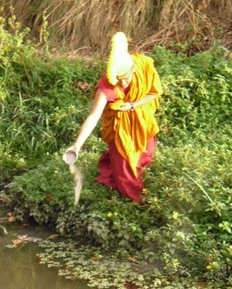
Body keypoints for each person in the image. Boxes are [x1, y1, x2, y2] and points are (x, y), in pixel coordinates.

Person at [64, 32, 163, 203]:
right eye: (118, 80)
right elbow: (94, 116)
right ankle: (138, 204)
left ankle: (148, 197)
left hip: (142, 124)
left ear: (132, 69)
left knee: (145, 159)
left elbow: (153, 93)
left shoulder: (143, 66)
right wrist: (77, 145)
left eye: (125, 79)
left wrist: (132, 106)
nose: (122, 84)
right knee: (126, 173)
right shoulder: (107, 85)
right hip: (121, 132)